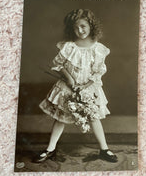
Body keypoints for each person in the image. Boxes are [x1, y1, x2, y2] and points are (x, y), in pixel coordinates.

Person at [33, 9, 118, 163]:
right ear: (71, 29)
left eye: (83, 26)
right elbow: (58, 64)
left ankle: (104, 149)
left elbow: (99, 71)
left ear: (91, 25)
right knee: (61, 118)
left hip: (88, 88)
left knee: (93, 117)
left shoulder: (98, 48)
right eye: (76, 28)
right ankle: (50, 149)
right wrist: (69, 79)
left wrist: (86, 85)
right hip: (68, 86)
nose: (80, 31)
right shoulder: (69, 47)